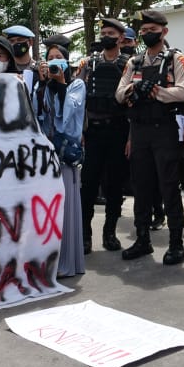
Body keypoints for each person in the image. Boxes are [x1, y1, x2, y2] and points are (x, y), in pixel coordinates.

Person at [114, 10, 184, 265]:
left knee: (169, 187)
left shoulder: (175, 58)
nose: (147, 34)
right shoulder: (134, 62)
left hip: (165, 130)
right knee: (141, 186)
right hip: (139, 131)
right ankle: (142, 239)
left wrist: (156, 91)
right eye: (143, 31)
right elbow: (119, 93)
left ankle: (176, 243)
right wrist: (135, 88)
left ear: (164, 31)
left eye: (152, 30)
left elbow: (182, 92)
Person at [78, 18, 130, 254]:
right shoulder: (88, 64)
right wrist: (79, 131)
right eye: (103, 32)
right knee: (88, 185)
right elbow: (77, 100)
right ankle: (85, 235)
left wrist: (131, 137)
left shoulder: (129, 64)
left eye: (111, 33)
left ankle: (110, 232)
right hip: (94, 131)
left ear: (120, 38)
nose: (105, 36)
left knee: (114, 186)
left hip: (118, 130)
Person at [36, 58, 86, 278]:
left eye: (59, 64)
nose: (54, 69)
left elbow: (67, 119)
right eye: (50, 64)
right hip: (45, 155)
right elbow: (38, 114)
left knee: (65, 208)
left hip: (65, 154)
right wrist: (43, 85)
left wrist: (62, 85)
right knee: (45, 209)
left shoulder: (77, 85)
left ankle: (66, 260)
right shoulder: (44, 86)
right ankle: (46, 260)